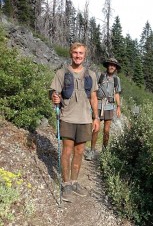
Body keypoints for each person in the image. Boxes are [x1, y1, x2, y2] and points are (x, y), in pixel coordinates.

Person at [50, 42, 100, 202]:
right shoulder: (61, 73)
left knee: (79, 152)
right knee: (67, 151)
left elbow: (93, 97)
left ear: (85, 56)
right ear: (70, 54)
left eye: (81, 53)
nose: (78, 56)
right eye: (75, 53)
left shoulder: (91, 75)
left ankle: (74, 181)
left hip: (85, 119)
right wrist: (53, 97)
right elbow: (53, 92)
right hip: (67, 118)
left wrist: (96, 117)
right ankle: (66, 184)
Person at [85, 57, 121, 161]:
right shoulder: (100, 76)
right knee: (95, 129)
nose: (111, 66)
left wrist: (118, 106)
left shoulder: (116, 79)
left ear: (115, 68)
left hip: (109, 106)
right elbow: (94, 90)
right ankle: (92, 151)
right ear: (107, 65)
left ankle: (104, 152)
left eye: (113, 65)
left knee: (106, 131)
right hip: (99, 104)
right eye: (110, 64)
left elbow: (117, 93)